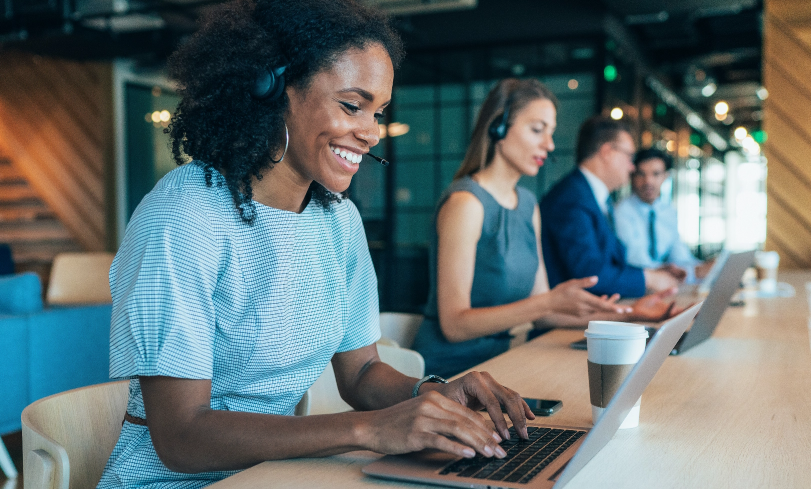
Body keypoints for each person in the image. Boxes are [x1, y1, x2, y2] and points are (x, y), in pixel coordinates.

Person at [98, 2, 533, 487]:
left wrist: (432, 394)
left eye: (379, 112)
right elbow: (181, 436)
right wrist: (368, 430)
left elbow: (362, 371)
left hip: (279, 475)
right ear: (272, 90)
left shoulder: (337, 220)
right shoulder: (184, 218)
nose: (370, 133)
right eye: (351, 105)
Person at [412, 80, 676, 379]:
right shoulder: (466, 203)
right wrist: (548, 300)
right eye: (538, 130)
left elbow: (544, 314)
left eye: (550, 133)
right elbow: (455, 325)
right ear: (498, 127)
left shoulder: (527, 204)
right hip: (452, 375)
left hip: (506, 363)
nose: (549, 145)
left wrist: (631, 314)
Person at [540, 116, 683, 298]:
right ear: (607, 152)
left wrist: (653, 272)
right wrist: (648, 278)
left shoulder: (596, 197)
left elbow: (607, 263)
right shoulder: (571, 199)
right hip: (566, 321)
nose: (632, 167)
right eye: (629, 156)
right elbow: (589, 275)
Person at [613, 148, 713, 282]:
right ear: (633, 176)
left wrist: (704, 267)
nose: (648, 181)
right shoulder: (621, 212)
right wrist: (693, 272)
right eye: (641, 174)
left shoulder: (668, 211)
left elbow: (679, 255)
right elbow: (640, 264)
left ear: (666, 176)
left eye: (655, 174)